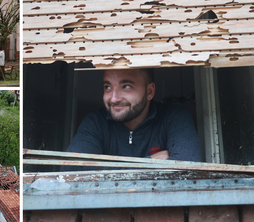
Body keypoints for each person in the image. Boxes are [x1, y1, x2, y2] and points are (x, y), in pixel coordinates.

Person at [61, 69, 201, 171]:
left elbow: (188, 168)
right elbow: (72, 170)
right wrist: (151, 162)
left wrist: (103, 170)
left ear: (150, 91)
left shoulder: (174, 116)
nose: (114, 98)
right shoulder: (96, 122)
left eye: (126, 86)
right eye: (108, 87)